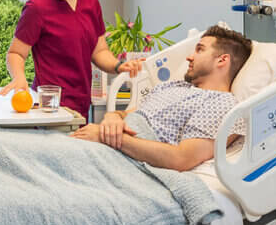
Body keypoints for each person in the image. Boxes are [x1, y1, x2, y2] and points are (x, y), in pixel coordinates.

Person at [70, 25, 252, 172]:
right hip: (104, 145)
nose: (189, 57)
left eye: (199, 50)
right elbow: (127, 115)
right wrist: (112, 117)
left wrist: (107, 138)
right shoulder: (174, 86)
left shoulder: (221, 103)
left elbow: (181, 159)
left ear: (222, 60)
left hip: (121, 158)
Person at [0, 0, 141, 118]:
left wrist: (118, 66)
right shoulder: (37, 8)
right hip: (49, 108)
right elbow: (16, 53)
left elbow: (99, 51)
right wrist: (19, 77)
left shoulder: (91, 2)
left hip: (80, 106)